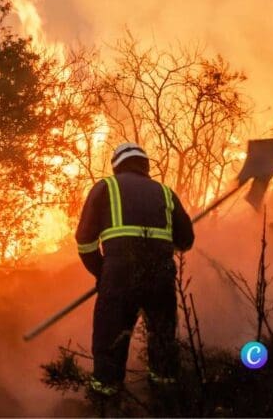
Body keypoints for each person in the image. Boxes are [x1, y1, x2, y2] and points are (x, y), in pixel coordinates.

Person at [75, 142, 195, 398]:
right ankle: (166, 401)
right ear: (145, 166)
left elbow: (85, 242)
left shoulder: (105, 188)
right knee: (163, 341)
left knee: (110, 344)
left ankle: (106, 403)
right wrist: (160, 243)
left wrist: (102, 273)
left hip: (118, 278)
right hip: (160, 277)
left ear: (117, 166)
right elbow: (186, 242)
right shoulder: (166, 193)